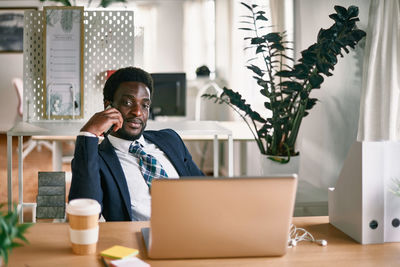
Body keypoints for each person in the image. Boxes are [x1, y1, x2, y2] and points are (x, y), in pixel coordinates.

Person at [68, 67, 204, 221]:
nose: (138, 112)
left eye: (145, 105)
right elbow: (84, 213)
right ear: (108, 106)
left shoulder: (170, 139)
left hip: (195, 228)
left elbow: (204, 188)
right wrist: (88, 133)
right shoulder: (97, 159)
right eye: (128, 102)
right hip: (143, 240)